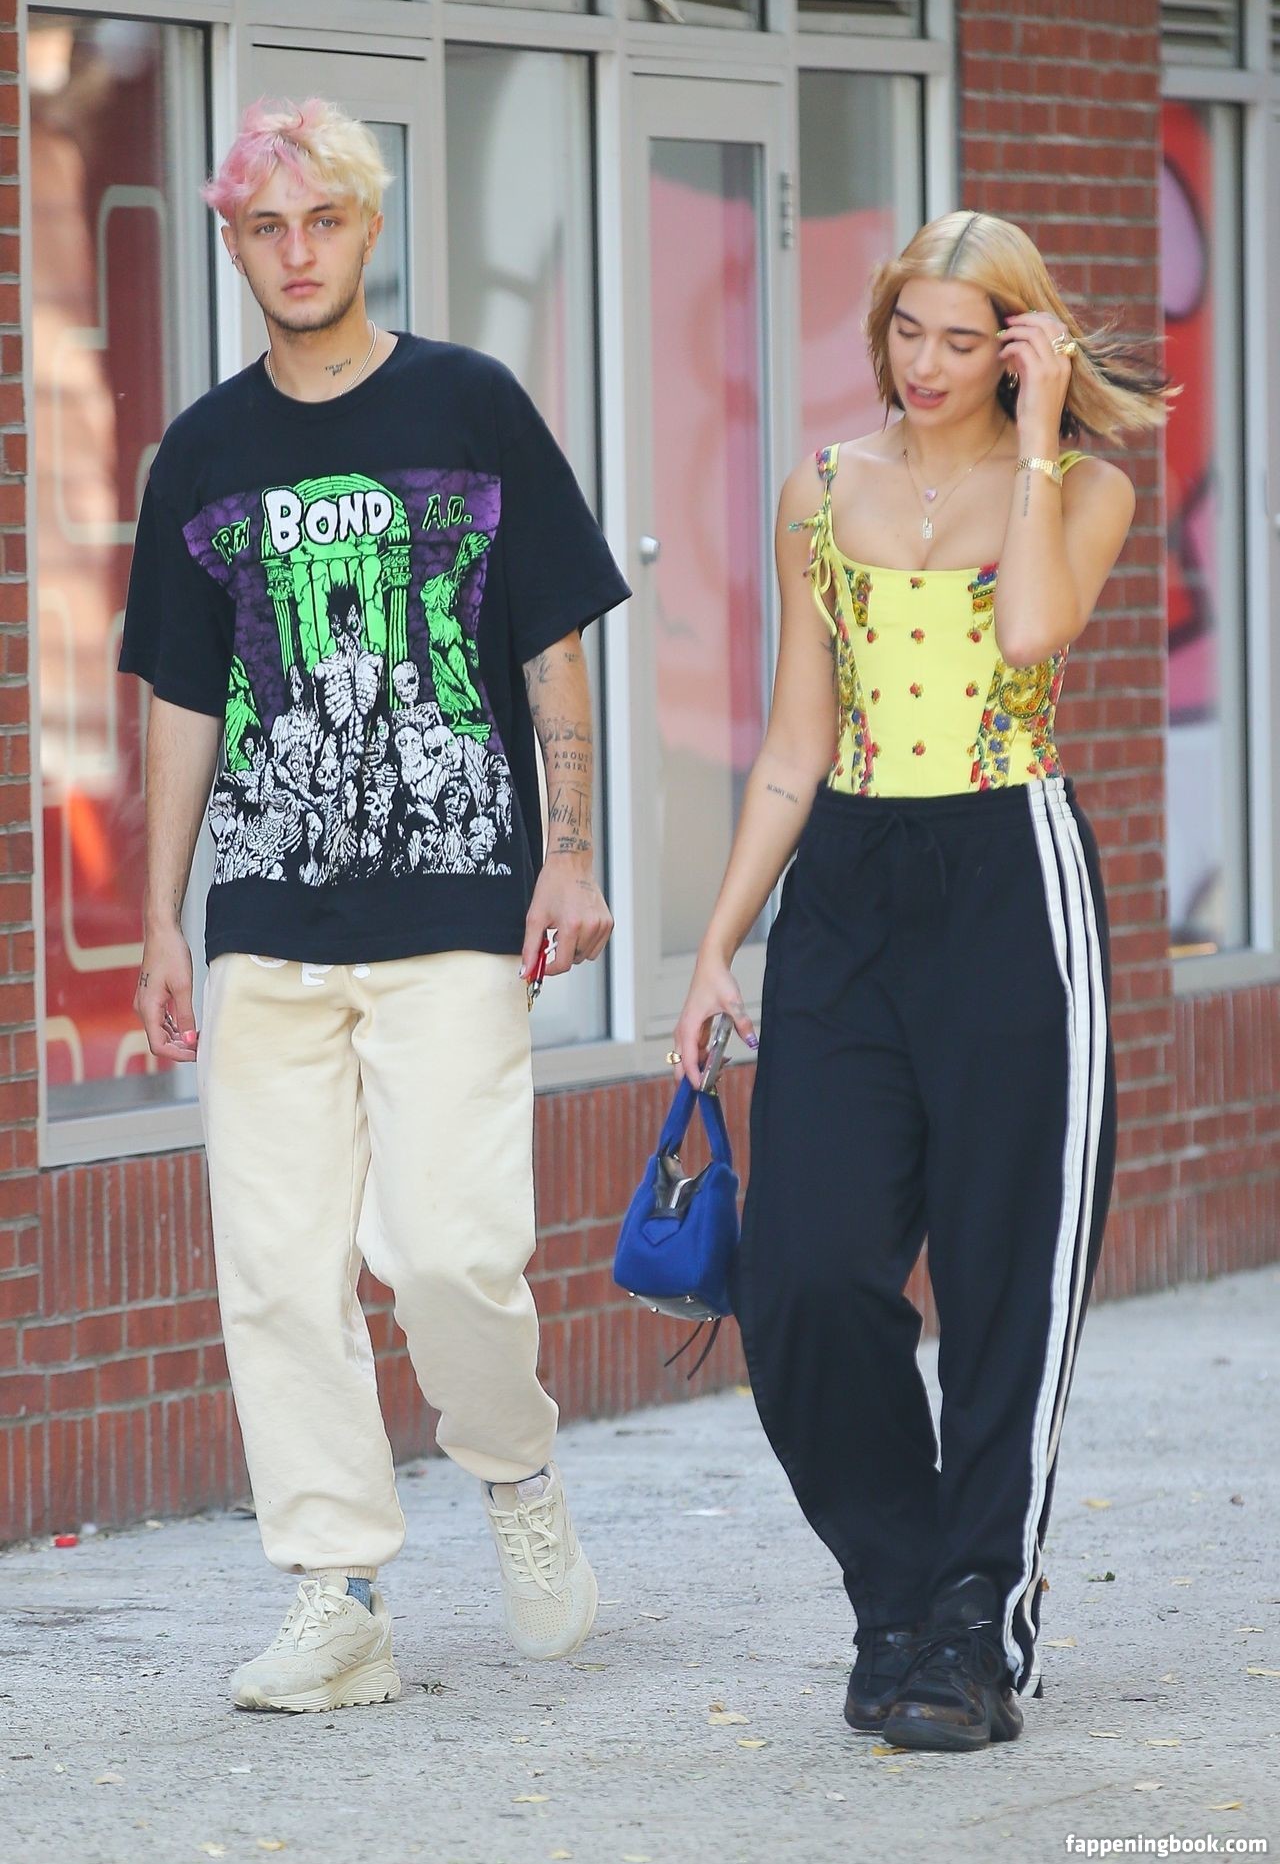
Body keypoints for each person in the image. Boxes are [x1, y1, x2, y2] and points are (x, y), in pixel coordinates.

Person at [120, 97, 630, 1713]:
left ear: (369, 226)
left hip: (456, 907)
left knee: (454, 1254)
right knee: (276, 1272)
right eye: (265, 228)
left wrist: (569, 851)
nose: (296, 252)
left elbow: (552, 638)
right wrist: (158, 917)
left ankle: (515, 1470)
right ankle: (335, 1594)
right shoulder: (203, 453)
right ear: (233, 245)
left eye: (321, 221)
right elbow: (183, 700)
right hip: (269, 923)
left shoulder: (468, 405)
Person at [674, 211, 1168, 1753]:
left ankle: (972, 1628)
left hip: (1013, 881)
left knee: (1007, 1283)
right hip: (847, 886)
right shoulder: (818, 492)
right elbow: (794, 740)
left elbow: (1031, 630)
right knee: (803, 1273)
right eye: (910, 332)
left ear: (1021, 346)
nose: (931, 364)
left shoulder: (1084, 486)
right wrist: (717, 943)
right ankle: (896, 1593)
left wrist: (1039, 433)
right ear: (879, 325)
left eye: (969, 340)